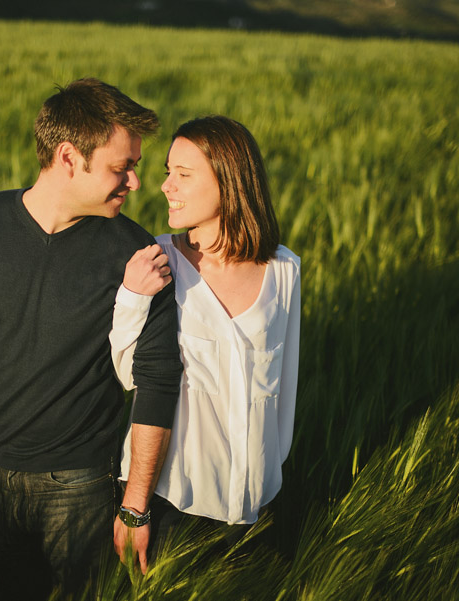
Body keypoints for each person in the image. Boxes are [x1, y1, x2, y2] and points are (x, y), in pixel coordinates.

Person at [0, 78, 182, 595]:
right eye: (123, 167)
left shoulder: (136, 256)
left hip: (83, 485)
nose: (136, 183)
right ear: (69, 158)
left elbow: (157, 381)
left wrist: (134, 505)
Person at [110, 115, 301, 561]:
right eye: (167, 173)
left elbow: (284, 386)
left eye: (183, 175)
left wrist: (268, 473)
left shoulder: (284, 271)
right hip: (172, 504)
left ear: (229, 183)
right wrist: (133, 297)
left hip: (256, 509)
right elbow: (127, 375)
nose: (165, 186)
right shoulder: (158, 265)